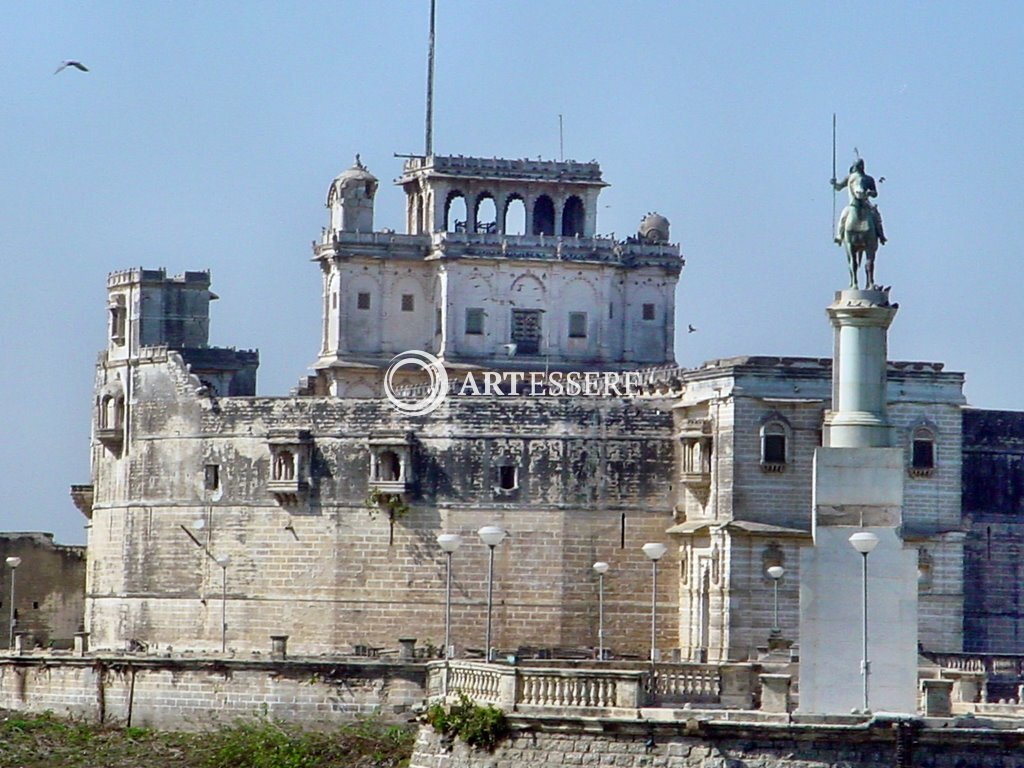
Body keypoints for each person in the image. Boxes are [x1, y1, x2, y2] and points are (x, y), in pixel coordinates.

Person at [832, 159, 886, 245]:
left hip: (866, 204)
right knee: (843, 216)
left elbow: (875, 193)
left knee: (876, 216)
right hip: (853, 205)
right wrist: (835, 184)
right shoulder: (850, 177)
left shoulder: (869, 179)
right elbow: (839, 187)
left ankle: (881, 235)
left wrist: (871, 193)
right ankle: (840, 235)